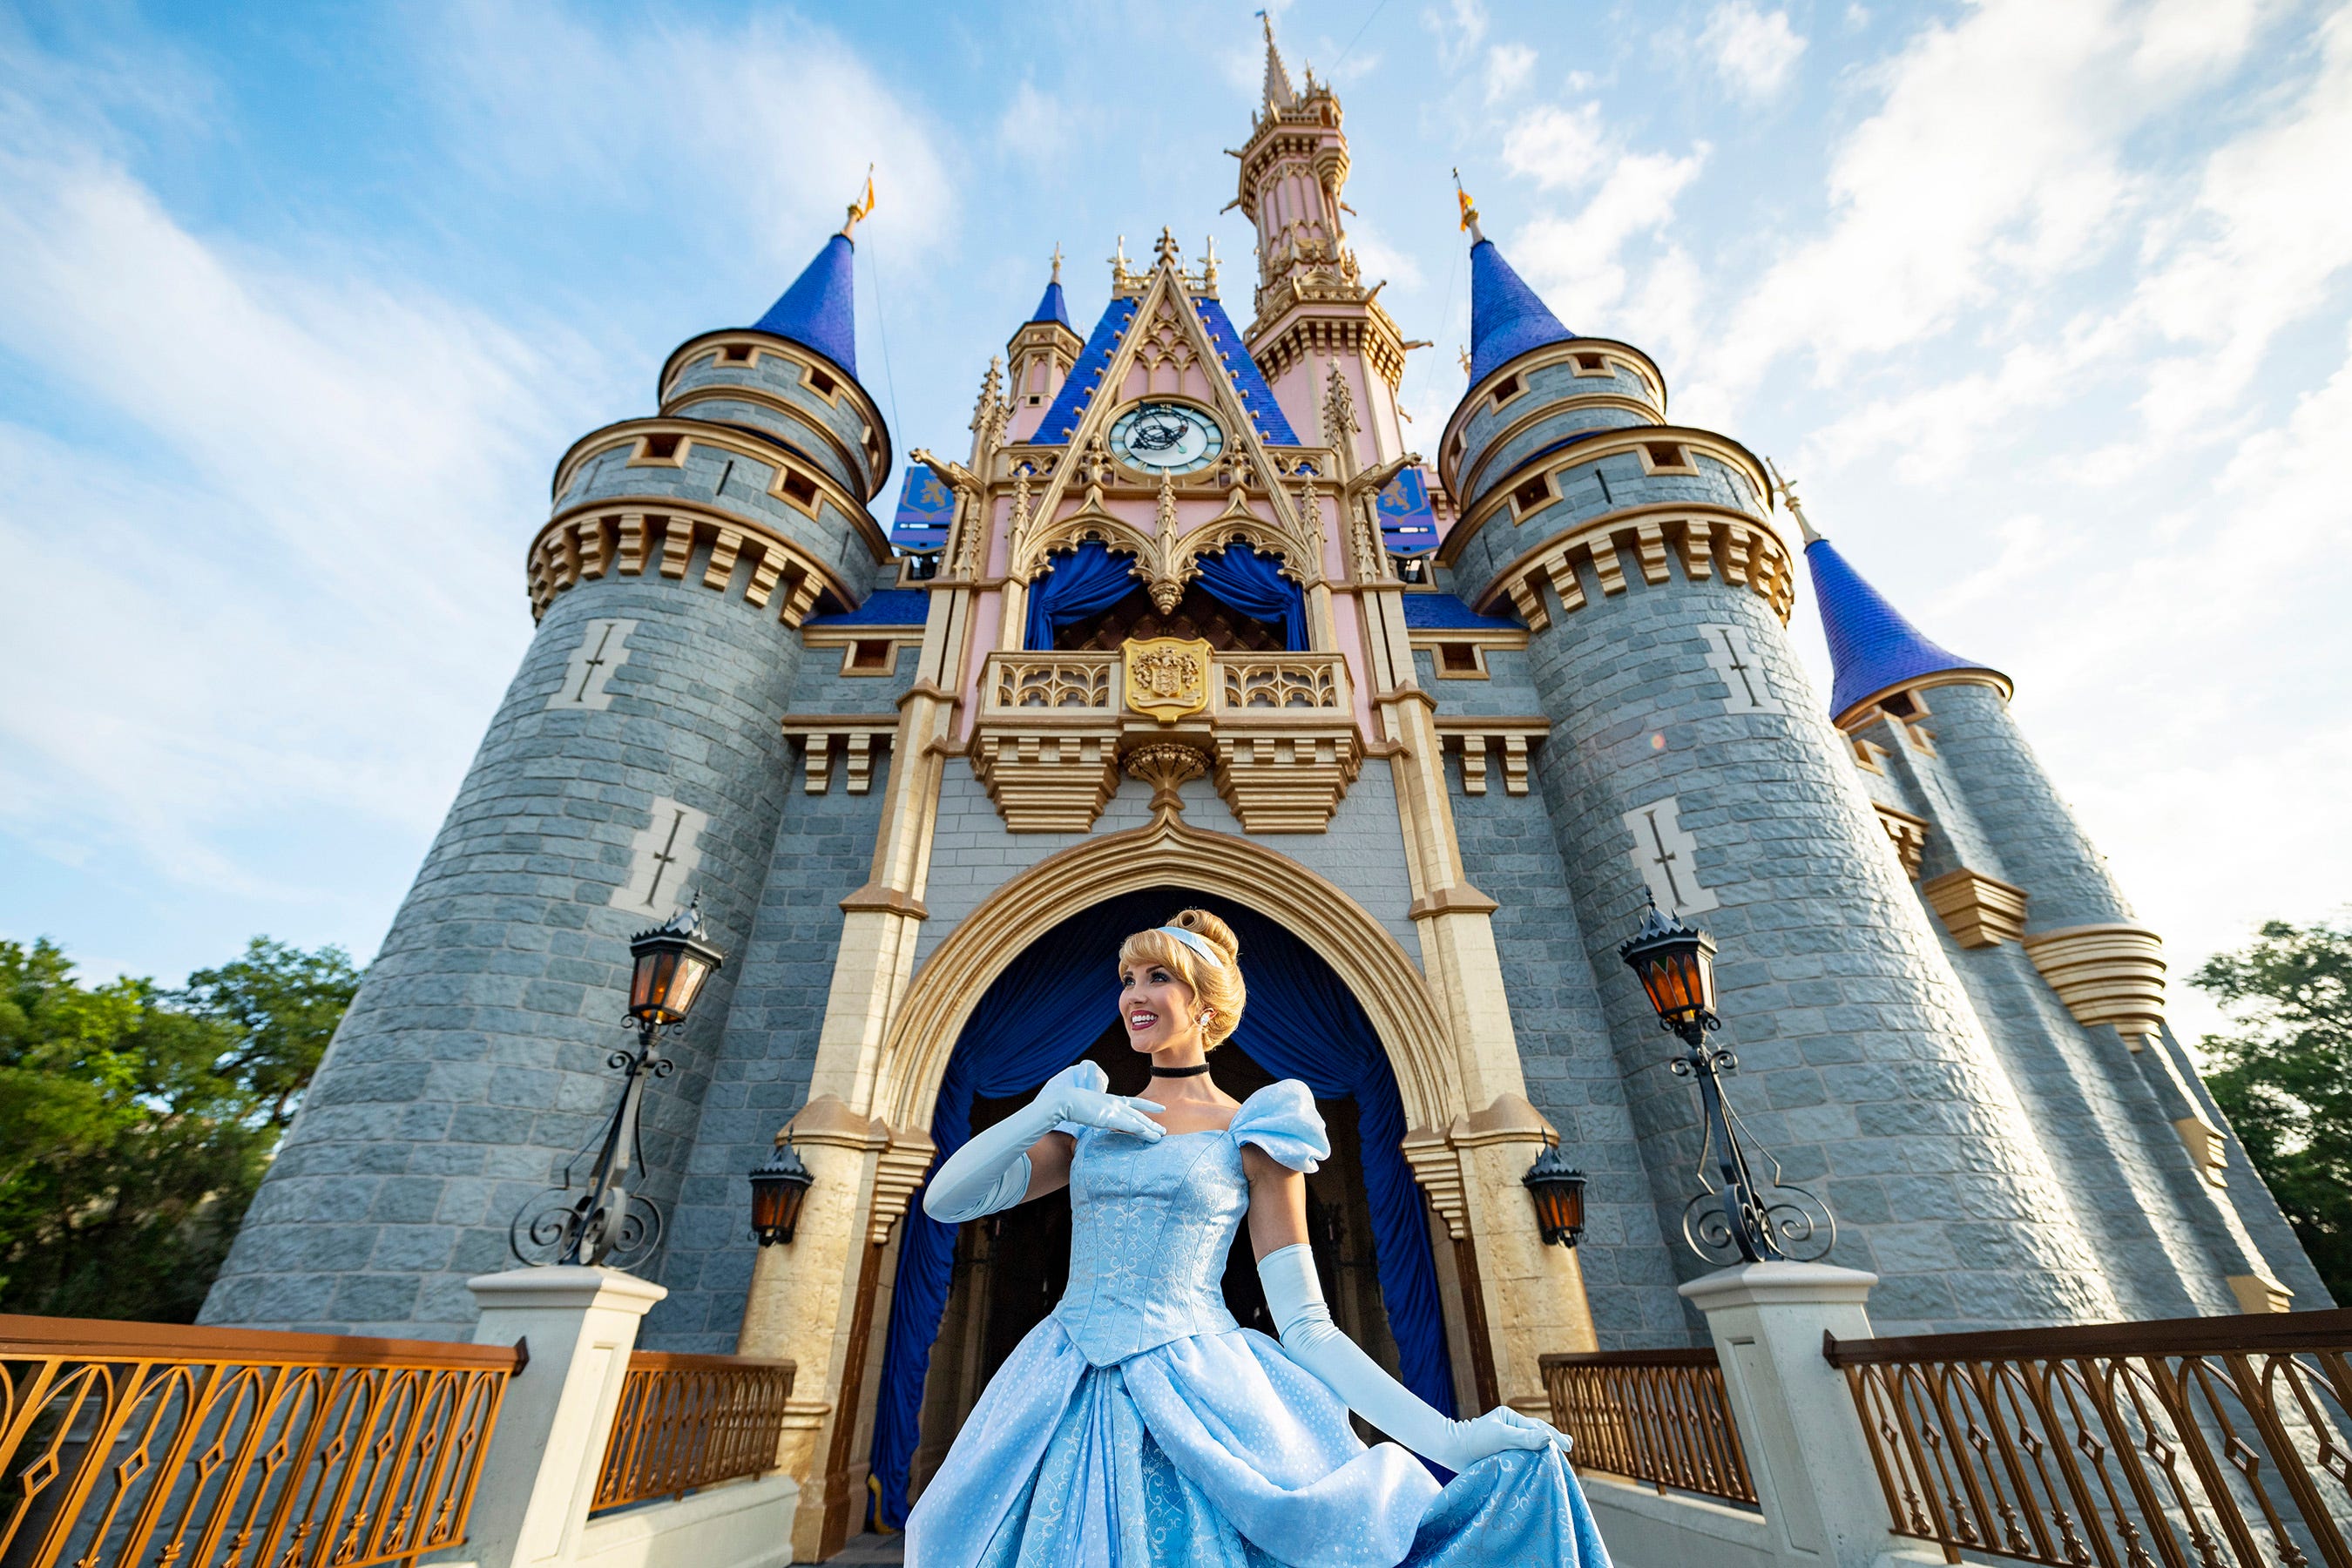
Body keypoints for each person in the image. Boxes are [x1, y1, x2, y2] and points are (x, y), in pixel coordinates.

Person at [903, 909, 1613, 1568]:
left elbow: (1308, 1326)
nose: (1133, 994)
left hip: (1196, 1390)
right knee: (964, 1534)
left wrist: (1452, 1441)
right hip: (1059, 1379)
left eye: (1159, 977)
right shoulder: (1092, 1120)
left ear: (1206, 1005)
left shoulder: (1257, 1130)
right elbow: (945, 1200)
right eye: (1126, 979)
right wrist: (1048, 1109)